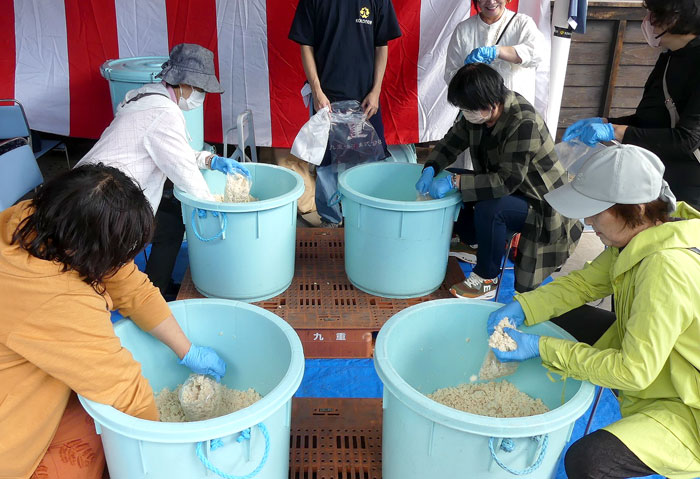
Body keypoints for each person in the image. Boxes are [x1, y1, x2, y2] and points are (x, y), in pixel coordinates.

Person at [0, 164, 226, 479]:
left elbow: (130, 286)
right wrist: (167, 450)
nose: (122, 265)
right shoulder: (55, 300)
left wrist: (187, 350)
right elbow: (125, 390)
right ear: (82, 250)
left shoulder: (38, 217)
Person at [490, 144, 700, 479]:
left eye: (596, 212)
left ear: (638, 208)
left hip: (687, 405)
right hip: (659, 361)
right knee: (556, 317)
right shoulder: (641, 237)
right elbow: (584, 284)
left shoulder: (666, 267)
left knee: (588, 461)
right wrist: (525, 307)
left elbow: (633, 372)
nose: (588, 222)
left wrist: (542, 348)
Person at [76, 43, 250, 296]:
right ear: (183, 83)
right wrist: (212, 207)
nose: (201, 96)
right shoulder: (163, 112)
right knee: (120, 251)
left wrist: (210, 161)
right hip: (104, 202)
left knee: (168, 223)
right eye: (200, 89)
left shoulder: (144, 96)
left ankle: (158, 286)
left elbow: (167, 149)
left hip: (89, 186)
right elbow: (183, 171)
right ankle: (128, 295)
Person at [417, 63, 581, 299]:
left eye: (468, 109)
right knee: (454, 174)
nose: (465, 114)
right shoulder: (479, 112)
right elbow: (451, 142)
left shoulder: (524, 123)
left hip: (543, 203)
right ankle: (470, 241)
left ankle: (487, 278)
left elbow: (506, 182)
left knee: (491, 208)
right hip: (513, 189)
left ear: (491, 104)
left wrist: (455, 182)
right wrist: (431, 168)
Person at [562, 0, 700, 209]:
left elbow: (688, 139)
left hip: (685, 190)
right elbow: (651, 119)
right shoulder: (670, 56)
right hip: (655, 176)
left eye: (653, 14)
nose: (647, 21)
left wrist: (615, 131)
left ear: (673, 18)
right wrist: (606, 121)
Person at [289, 0, 402, 227]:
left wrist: (376, 91)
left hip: (366, 100)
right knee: (326, 164)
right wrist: (317, 90)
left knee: (370, 161)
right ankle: (331, 221)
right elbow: (306, 45)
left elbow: (382, 45)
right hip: (326, 99)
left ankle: (367, 220)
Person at [444, 0, 545, 108]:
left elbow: (537, 54)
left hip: (516, 112)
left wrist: (497, 51)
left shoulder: (522, 23)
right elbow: (451, 74)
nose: (491, 2)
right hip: (478, 113)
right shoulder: (463, 29)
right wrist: (466, 72)